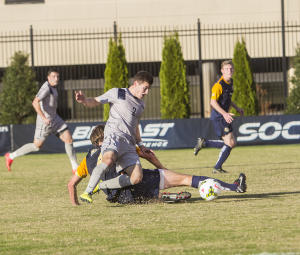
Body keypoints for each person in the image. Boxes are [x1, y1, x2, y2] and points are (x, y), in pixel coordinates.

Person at [68, 125, 247, 206]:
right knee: (185, 179)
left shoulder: (86, 160)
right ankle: (234, 186)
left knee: (143, 198)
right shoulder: (117, 146)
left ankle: (164, 198)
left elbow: (71, 184)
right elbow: (148, 156)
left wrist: (76, 203)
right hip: (136, 180)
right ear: (105, 138)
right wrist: (165, 170)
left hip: (118, 198)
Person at [74, 71, 154, 203]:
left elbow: (136, 126)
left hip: (129, 144)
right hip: (114, 136)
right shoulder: (118, 93)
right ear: (136, 84)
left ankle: (100, 186)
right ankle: (88, 191)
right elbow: (95, 101)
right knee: (109, 160)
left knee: (137, 177)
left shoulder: (141, 105)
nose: (146, 92)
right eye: (145, 88)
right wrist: (84, 101)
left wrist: (141, 145)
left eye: (148, 89)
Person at [5, 68, 79, 173]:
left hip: (55, 120)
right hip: (45, 124)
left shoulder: (53, 87)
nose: (56, 79)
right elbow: (35, 102)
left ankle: (75, 166)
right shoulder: (46, 88)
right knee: (36, 146)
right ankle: (11, 156)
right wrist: (44, 117)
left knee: (69, 140)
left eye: (57, 76)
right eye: (53, 76)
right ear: (48, 77)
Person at [194, 60, 244, 173]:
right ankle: (217, 167)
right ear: (222, 71)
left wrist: (237, 108)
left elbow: (227, 99)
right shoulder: (218, 85)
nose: (229, 71)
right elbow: (213, 102)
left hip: (224, 116)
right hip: (219, 117)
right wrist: (224, 113)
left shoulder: (230, 82)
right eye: (227, 69)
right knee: (230, 143)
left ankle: (205, 143)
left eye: (231, 69)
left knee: (232, 143)